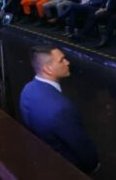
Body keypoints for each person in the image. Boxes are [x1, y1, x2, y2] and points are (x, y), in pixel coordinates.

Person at [20, 46, 100, 174]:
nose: (67, 62)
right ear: (48, 69)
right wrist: (94, 165)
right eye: (61, 60)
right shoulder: (62, 109)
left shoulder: (27, 89)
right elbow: (80, 145)